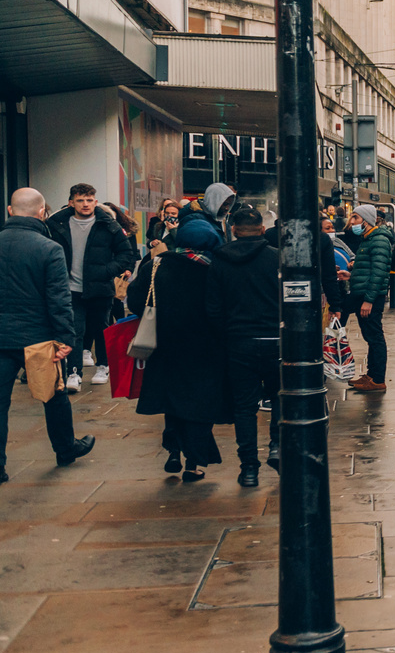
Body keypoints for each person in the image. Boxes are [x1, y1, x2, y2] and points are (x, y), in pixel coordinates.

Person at [0, 188, 95, 478]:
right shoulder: (49, 248)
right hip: (38, 336)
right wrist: (66, 338)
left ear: (9, 210)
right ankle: (66, 449)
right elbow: (59, 298)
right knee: (54, 396)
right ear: (42, 212)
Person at [128, 213, 229, 482]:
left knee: (171, 397)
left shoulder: (157, 265)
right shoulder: (216, 268)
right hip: (206, 348)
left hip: (164, 344)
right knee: (199, 402)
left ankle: (173, 448)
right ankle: (194, 462)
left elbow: (136, 300)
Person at [206, 205, 281, 485]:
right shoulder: (276, 258)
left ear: (234, 231)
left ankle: (249, 468)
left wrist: (226, 336)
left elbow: (213, 308)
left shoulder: (220, 260)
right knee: (280, 398)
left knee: (244, 407)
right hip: (275, 341)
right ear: (262, 230)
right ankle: (277, 446)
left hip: (239, 343)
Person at [46, 183, 136, 392]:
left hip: (100, 288)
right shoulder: (58, 224)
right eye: (80, 200)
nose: (85, 204)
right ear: (71, 202)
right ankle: (74, 372)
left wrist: (106, 271)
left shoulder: (108, 225)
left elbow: (125, 254)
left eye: (89, 200)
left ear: (95, 202)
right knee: (75, 330)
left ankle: (103, 366)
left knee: (100, 328)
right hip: (70, 288)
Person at [344, 204, 393, 392]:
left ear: (366, 220)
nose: (352, 222)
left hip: (370, 297)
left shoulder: (378, 240)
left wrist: (369, 300)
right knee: (371, 336)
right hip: (364, 294)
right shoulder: (368, 238)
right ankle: (371, 375)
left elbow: (379, 273)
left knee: (375, 337)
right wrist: (351, 275)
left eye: (355, 218)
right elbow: (369, 269)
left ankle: (378, 379)